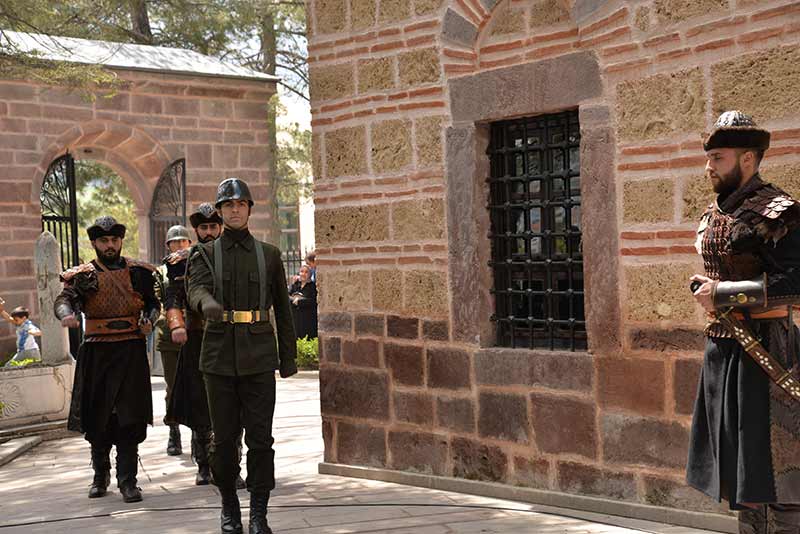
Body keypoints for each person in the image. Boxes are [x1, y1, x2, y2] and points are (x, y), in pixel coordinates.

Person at [688, 111, 800, 533]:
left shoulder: (780, 211)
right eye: (709, 157)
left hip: (771, 353)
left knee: (778, 470)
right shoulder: (713, 213)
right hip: (723, 352)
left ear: (748, 158)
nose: (709, 166)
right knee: (742, 477)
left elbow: (797, 282)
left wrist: (719, 294)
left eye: (718, 157)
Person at [187, 178, 296, 534]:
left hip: (260, 356)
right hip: (218, 357)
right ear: (219, 212)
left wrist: (288, 357)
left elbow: (282, 307)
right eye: (228, 205)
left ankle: (260, 513)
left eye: (241, 204)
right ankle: (229, 508)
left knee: (261, 439)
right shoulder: (203, 253)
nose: (235, 210)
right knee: (224, 438)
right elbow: (196, 289)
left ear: (249, 209)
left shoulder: (268, 255)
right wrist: (208, 304)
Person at [54, 216, 159, 503]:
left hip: (130, 351)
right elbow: (65, 299)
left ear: (121, 241)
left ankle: (128, 481)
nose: (110, 245)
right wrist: (67, 315)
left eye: (114, 240)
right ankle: (100, 476)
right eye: (104, 241)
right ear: (95, 243)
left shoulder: (139, 273)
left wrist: (150, 319)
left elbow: (153, 303)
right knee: (98, 415)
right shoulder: (84, 275)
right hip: (97, 353)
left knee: (129, 416)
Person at [165, 204, 219, 486]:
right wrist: (176, 325)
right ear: (196, 231)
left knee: (232, 406)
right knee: (200, 404)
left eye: (213, 227)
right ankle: (203, 465)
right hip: (197, 336)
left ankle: (230, 464)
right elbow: (172, 298)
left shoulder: (232, 255)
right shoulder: (180, 262)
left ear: (219, 227)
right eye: (203, 228)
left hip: (228, 338)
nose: (209, 232)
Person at [156, 224, 193, 457]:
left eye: (183, 241)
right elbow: (159, 300)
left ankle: (200, 436)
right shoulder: (160, 273)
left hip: (197, 332)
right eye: (175, 242)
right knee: (172, 387)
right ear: (168, 245)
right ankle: (173, 430)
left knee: (199, 386)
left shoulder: (199, 265)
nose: (179, 245)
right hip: (170, 336)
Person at [0, 302, 41, 367]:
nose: (15, 322)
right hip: (22, 352)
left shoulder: (28, 325)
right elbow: (8, 318)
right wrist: (1, 310)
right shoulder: (19, 324)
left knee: (10, 366)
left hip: (31, 351)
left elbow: (38, 332)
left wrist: (32, 332)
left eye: (16, 320)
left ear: (24, 318)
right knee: (9, 365)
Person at [288, 265, 317, 340]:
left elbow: (312, 300)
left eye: (306, 272)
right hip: (296, 317)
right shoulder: (295, 285)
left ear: (310, 275)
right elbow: (287, 296)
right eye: (302, 271)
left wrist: (299, 302)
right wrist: (294, 300)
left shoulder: (312, 286)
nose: (303, 274)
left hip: (307, 318)